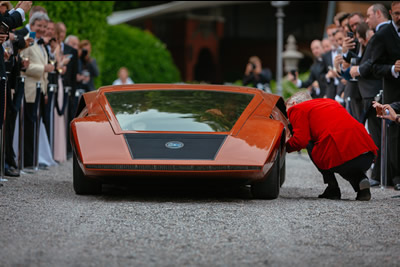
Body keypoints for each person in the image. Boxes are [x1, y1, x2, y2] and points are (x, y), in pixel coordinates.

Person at [285, 91, 378, 201]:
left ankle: (332, 187)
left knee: (313, 144)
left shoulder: (297, 109)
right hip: (366, 153)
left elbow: (301, 141)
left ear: (294, 103)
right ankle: (362, 183)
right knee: (347, 161)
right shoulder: (330, 102)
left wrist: (285, 144)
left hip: (340, 155)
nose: (288, 116)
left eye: (287, 111)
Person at [370, 1, 400, 190]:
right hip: (393, 89)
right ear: (390, 13)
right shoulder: (382, 35)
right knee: (395, 134)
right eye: (397, 13)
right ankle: (396, 177)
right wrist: (392, 69)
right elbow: (374, 67)